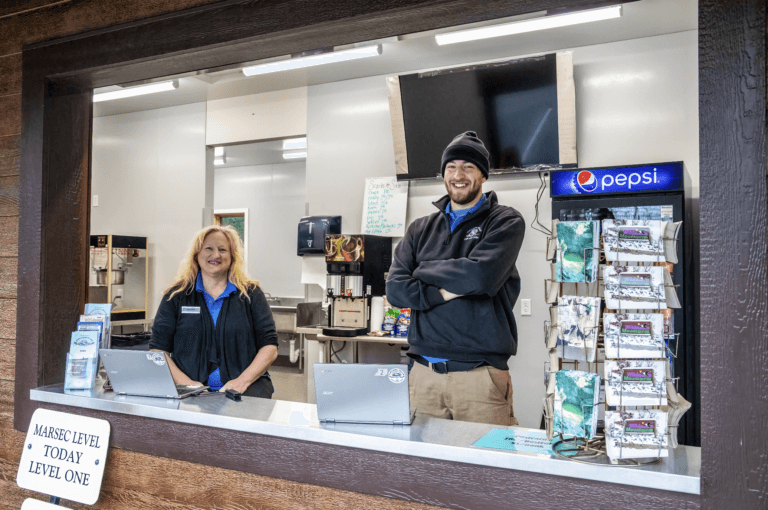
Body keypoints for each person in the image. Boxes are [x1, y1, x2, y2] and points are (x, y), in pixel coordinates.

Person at [386, 131, 525, 425]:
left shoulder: (505, 221)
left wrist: (422, 270)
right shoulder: (419, 228)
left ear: (483, 175)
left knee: (489, 467)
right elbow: (396, 291)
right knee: (420, 469)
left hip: (479, 376)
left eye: (468, 167)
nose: (458, 175)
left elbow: (481, 276)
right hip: (422, 375)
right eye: (451, 167)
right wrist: (443, 292)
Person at [150, 225, 278, 398]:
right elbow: (158, 349)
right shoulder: (177, 296)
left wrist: (241, 382)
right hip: (189, 392)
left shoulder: (251, 294)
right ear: (197, 254)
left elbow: (269, 347)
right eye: (208, 248)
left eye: (223, 250)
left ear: (232, 256)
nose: (216, 255)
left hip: (245, 390)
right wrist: (187, 384)